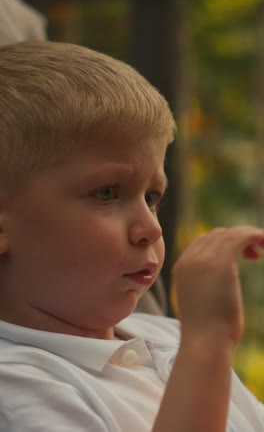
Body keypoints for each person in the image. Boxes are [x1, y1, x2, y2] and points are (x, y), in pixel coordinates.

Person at [0, 40, 263, 432]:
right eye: (107, 192)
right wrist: (207, 343)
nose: (152, 228)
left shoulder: (166, 336)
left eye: (152, 197)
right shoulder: (16, 386)